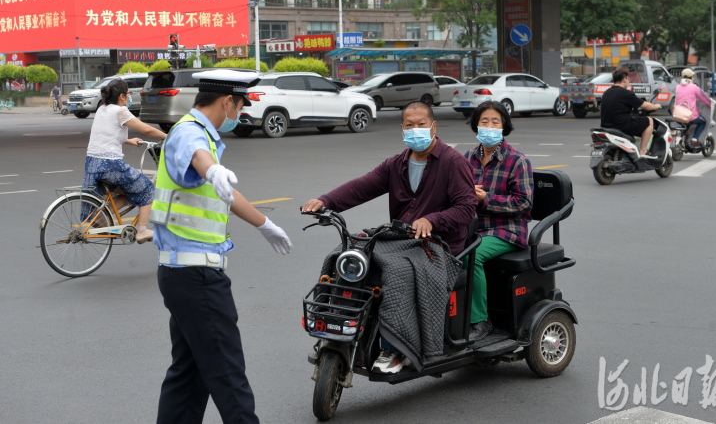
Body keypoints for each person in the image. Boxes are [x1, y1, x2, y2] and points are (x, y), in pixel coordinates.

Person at [152, 69, 293, 424]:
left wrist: (267, 225)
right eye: (241, 104)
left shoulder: (202, 135)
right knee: (228, 375)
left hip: (182, 273)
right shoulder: (191, 133)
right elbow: (199, 157)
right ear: (227, 101)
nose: (241, 113)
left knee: (190, 375)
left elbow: (228, 194)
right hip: (196, 277)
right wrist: (212, 170)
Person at [302, 101, 476, 374]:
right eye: (410, 125)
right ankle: (338, 328)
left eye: (421, 124)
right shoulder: (396, 164)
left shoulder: (454, 163)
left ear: (433, 126)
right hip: (399, 240)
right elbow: (360, 187)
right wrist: (325, 202)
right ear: (402, 128)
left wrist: (432, 220)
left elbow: (466, 209)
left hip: (439, 246)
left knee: (396, 272)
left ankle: (397, 349)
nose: (416, 130)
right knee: (346, 255)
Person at [464, 101, 533, 341]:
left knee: (471, 255)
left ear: (504, 127)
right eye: (484, 121)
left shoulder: (517, 161)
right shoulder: (467, 158)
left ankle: (480, 321)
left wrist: (486, 199)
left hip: (507, 230)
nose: (489, 126)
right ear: (476, 126)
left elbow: (523, 203)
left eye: (495, 122)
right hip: (474, 227)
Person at [82, 78, 167, 243]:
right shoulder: (120, 111)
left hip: (93, 165)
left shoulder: (102, 109)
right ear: (121, 96)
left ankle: (101, 216)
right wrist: (171, 136)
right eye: (128, 94)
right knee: (147, 188)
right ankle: (142, 230)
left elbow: (105, 134)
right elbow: (147, 129)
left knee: (132, 190)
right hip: (111, 165)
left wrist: (128, 140)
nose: (129, 97)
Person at [600, 67, 662, 157]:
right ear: (624, 80)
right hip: (621, 125)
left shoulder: (607, 92)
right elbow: (646, 106)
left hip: (605, 126)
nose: (628, 81)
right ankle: (643, 151)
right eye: (628, 79)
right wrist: (656, 106)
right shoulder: (626, 93)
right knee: (649, 121)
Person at [675, 68, 712, 145]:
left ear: (682, 77)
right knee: (702, 122)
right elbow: (704, 98)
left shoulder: (677, 87)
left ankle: (682, 136)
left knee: (684, 124)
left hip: (677, 115)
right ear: (692, 77)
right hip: (690, 115)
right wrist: (711, 104)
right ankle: (694, 139)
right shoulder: (694, 87)